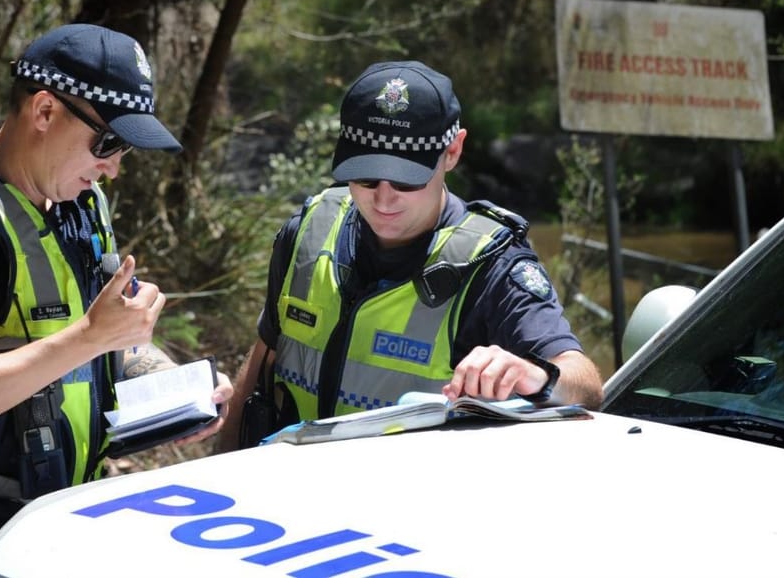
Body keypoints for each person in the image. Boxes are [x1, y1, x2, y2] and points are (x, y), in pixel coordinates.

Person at [0, 23, 233, 561]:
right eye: (107, 143)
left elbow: (106, 341)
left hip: (51, 524)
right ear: (43, 112)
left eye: (124, 150)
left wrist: (176, 388)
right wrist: (87, 338)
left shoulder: (80, 205)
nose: (112, 168)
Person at [219, 60, 602, 451]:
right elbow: (264, 355)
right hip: (277, 489)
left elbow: (585, 385)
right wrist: (219, 464)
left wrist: (534, 374)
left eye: (406, 180)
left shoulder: (493, 266)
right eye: (366, 176)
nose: (384, 199)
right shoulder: (307, 230)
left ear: (452, 152)